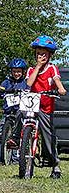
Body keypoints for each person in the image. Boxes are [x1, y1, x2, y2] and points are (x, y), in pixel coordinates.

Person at [26, 35, 67, 179]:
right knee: (20, 115)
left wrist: (61, 89)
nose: (40, 57)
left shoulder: (52, 68)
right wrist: (37, 66)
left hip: (45, 107)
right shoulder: (31, 69)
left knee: (48, 136)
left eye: (44, 54)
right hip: (32, 105)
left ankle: (55, 164)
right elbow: (29, 84)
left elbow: (56, 80)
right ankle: (17, 139)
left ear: (49, 55)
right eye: (38, 54)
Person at [0, 58, 29, 164]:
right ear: (11, 71)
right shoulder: (6, 82)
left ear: (23, 72)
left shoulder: (25, 83)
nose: (16, 74)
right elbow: (1, 92)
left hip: (19, 113)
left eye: (19, 71)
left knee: (19, 136)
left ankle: (15, 159)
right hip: (7, 112)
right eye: (14, 71)